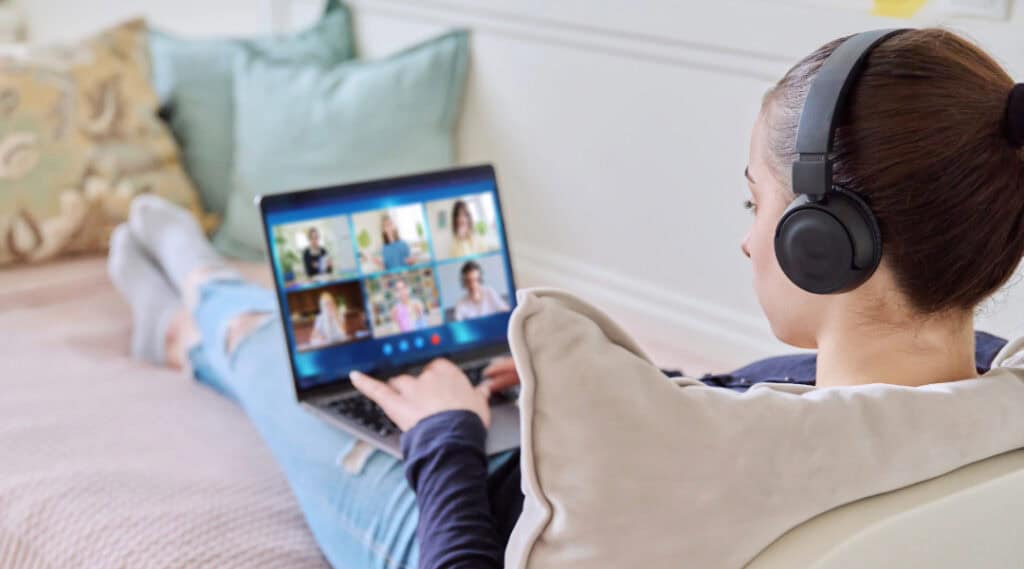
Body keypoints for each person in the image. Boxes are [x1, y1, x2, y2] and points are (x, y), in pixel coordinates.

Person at [105, 28, 1024, 569]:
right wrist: (619, 389)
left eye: (756, 202)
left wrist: (446, 436)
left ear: (824, 243)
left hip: (451, 507)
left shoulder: (752, 460)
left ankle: (202, 303)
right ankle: (201, 310)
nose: (747, 236)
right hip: (530, 459)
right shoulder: (987, 398)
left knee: (309, 374)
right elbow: (742, 403)